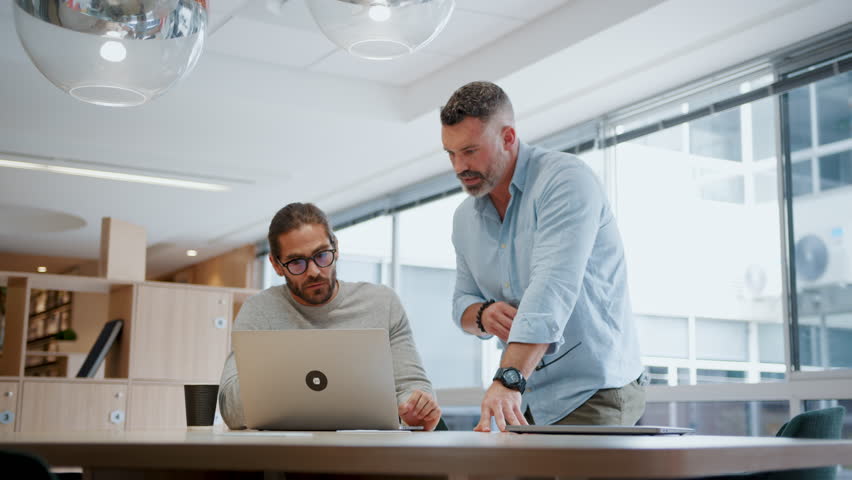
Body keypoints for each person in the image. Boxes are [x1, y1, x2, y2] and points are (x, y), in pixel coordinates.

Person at [440, 81, 644, 432]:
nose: (460, 166)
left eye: (471, 151)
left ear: (508, 138)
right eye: (451, 153)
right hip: (528, 394)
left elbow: (552, 287)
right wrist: (485, 314)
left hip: (592, 390)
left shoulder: (565, 181)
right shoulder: (464, 219)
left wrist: (507, 379)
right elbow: (462, 302)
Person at [219, 202, 440, 430]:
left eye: (322, 255)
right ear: (276, 265)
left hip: (368, 453)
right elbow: (230, 410)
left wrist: (413, 408)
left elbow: (412, 385)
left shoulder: (382, 303)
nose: (314, 271)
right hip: (287, 454)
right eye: (297, 262)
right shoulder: (259, 310)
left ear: (336, 247)